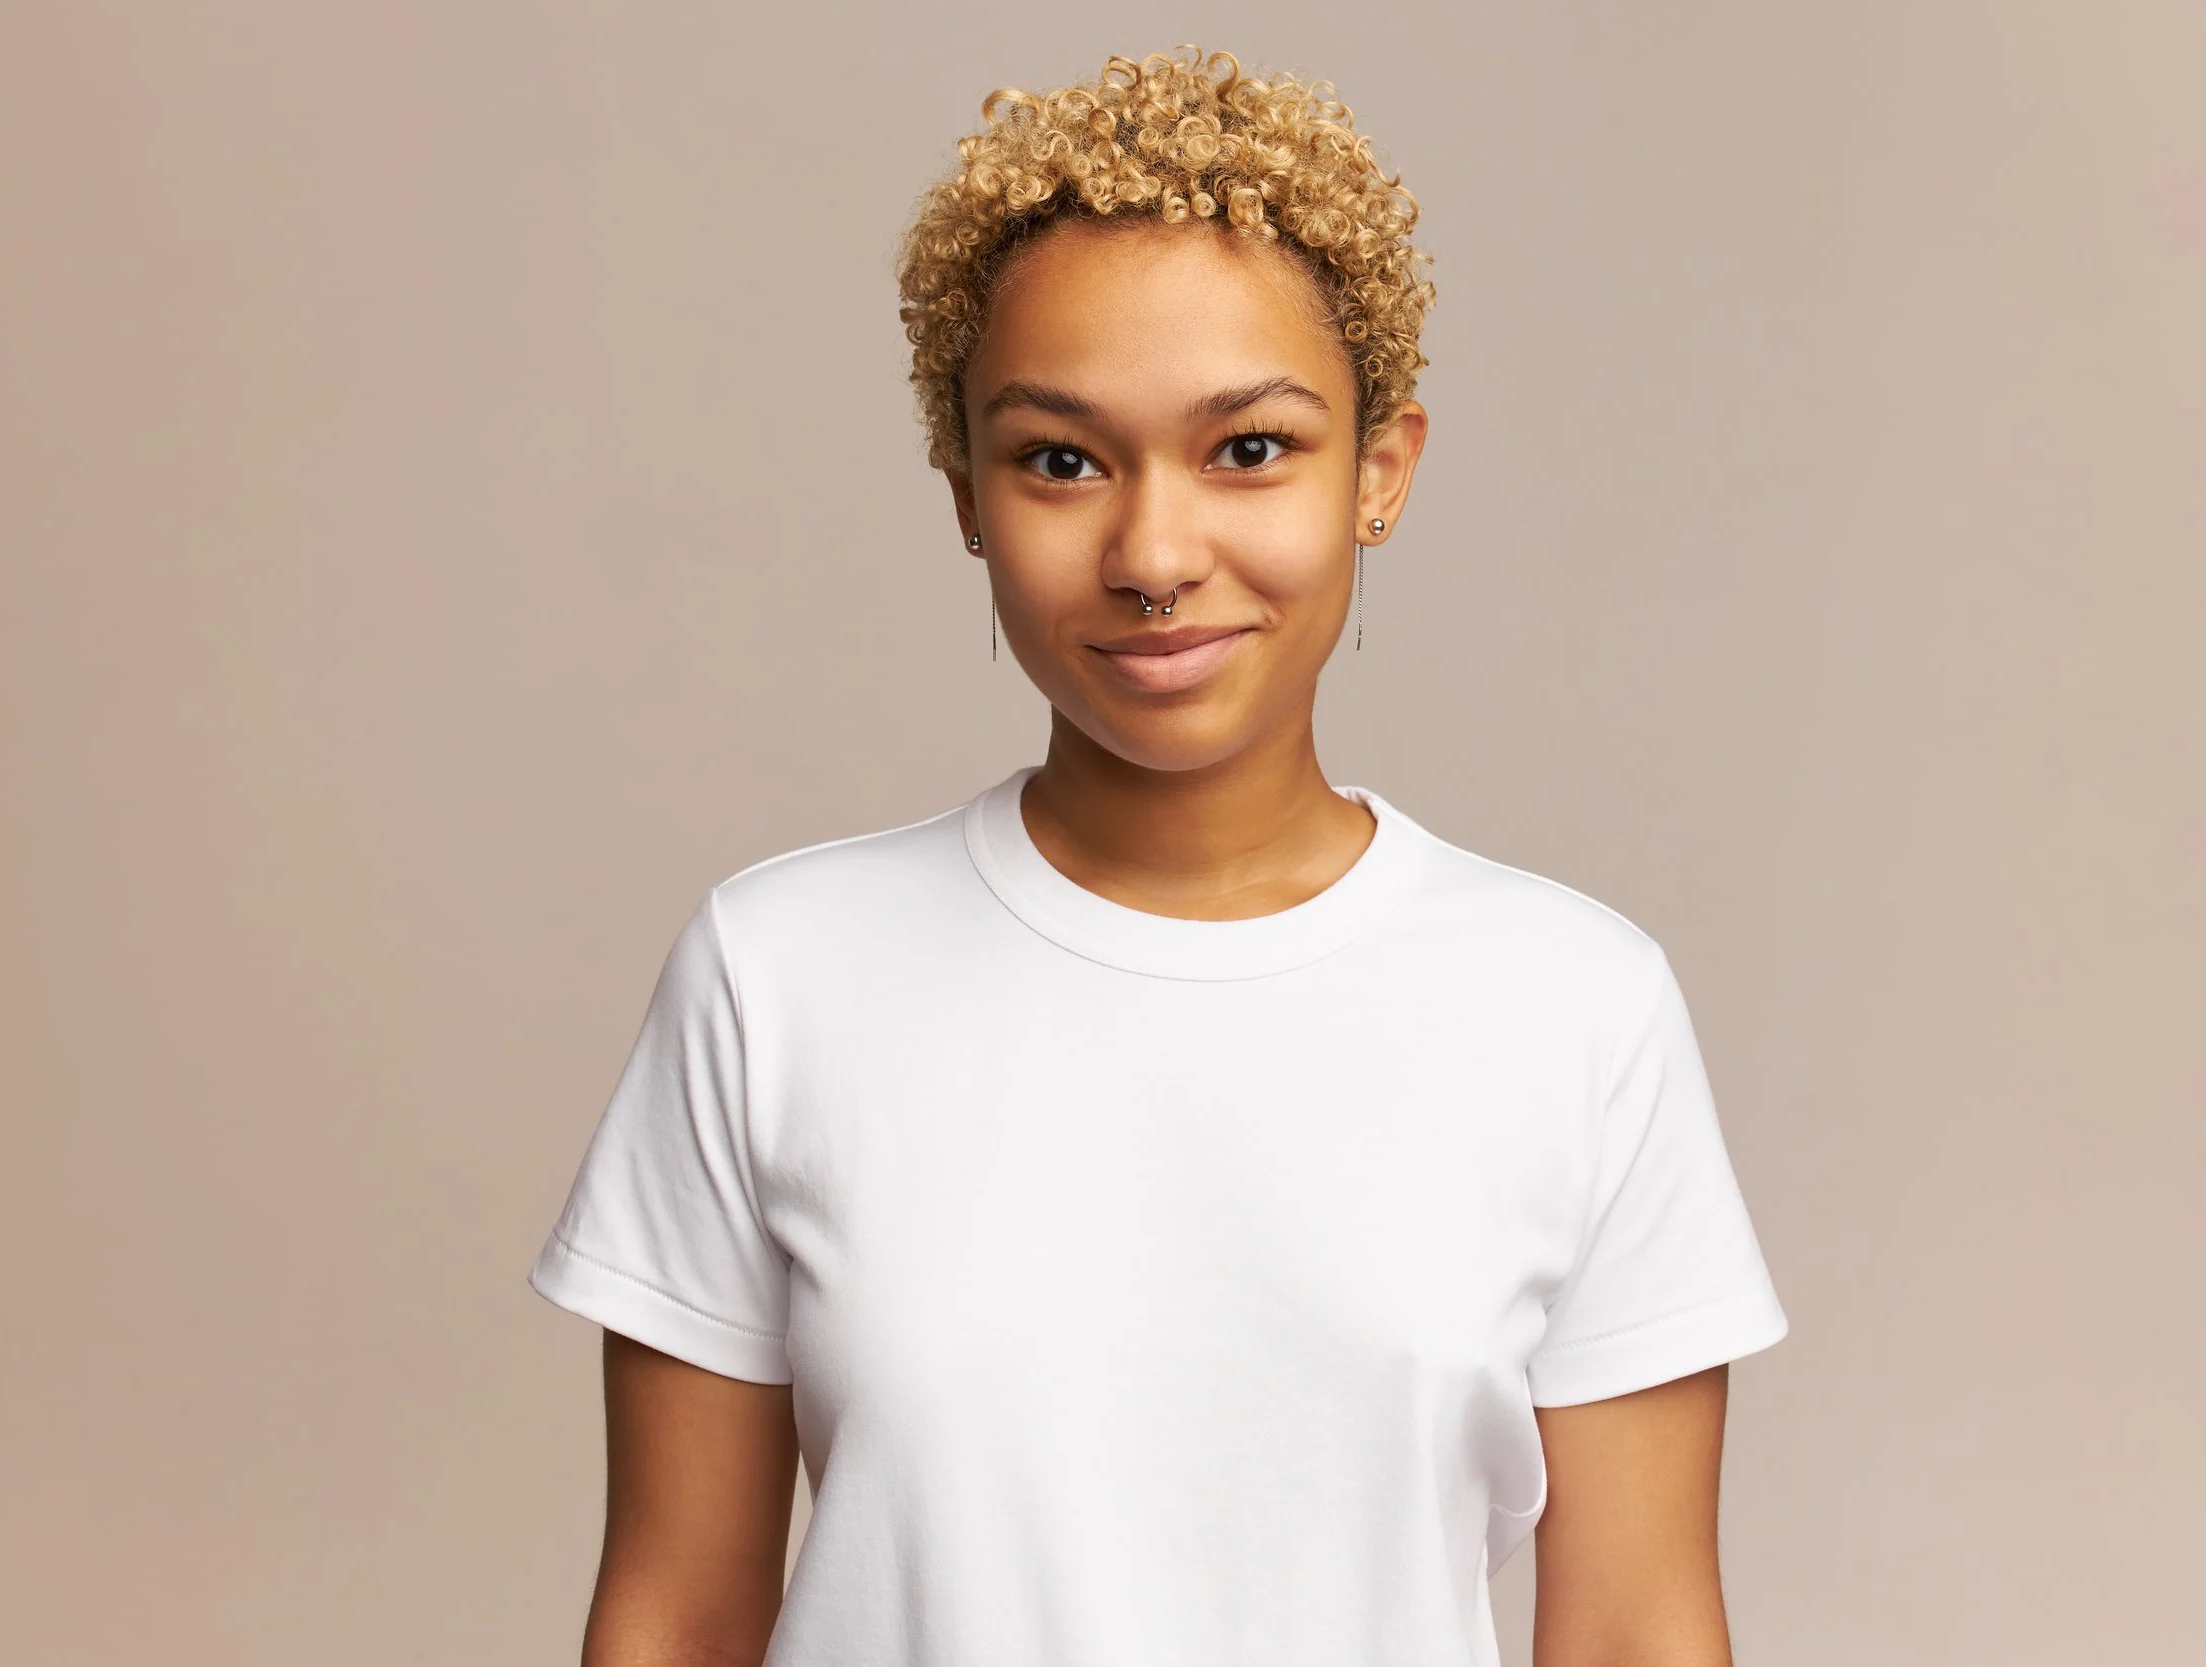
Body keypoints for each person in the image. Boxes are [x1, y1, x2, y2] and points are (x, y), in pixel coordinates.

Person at [528, 46, 1787, 1667]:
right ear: (967, 494)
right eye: (1061, 459)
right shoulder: (776, 980)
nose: (1153, 553)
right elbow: (677, 1617)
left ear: (1381, 471)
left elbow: (1634, 1630)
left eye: (1248, 448)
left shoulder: (1575, 1008)